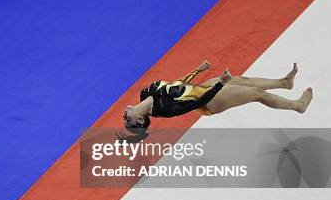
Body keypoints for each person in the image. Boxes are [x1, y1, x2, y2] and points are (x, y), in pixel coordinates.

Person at [121, 60, 313, 141]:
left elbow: (174, 84)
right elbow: (196, 104)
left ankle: (283, 83)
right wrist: (220, 84)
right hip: (210, 101)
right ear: (140, 120)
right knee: (256, 93)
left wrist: (198, 70)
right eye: (127, 120)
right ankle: (297, 106)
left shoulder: (146, 93)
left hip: (202, 88)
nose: (124, 116)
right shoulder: (165, 109)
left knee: (241, 80)